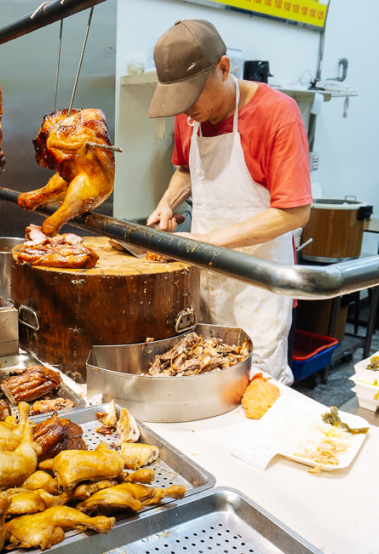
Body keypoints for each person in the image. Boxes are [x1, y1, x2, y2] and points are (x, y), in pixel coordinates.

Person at [146, 20, 312, 384]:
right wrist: (166, 203)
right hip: (204, 281)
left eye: (191, 97)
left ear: (224, 67)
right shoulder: (189, 115)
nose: (186, 110)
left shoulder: (277, 114)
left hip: (258, 289)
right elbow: (187, 171)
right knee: (199, 379)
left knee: (254, 390)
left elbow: (295, 211)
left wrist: (208, 243)